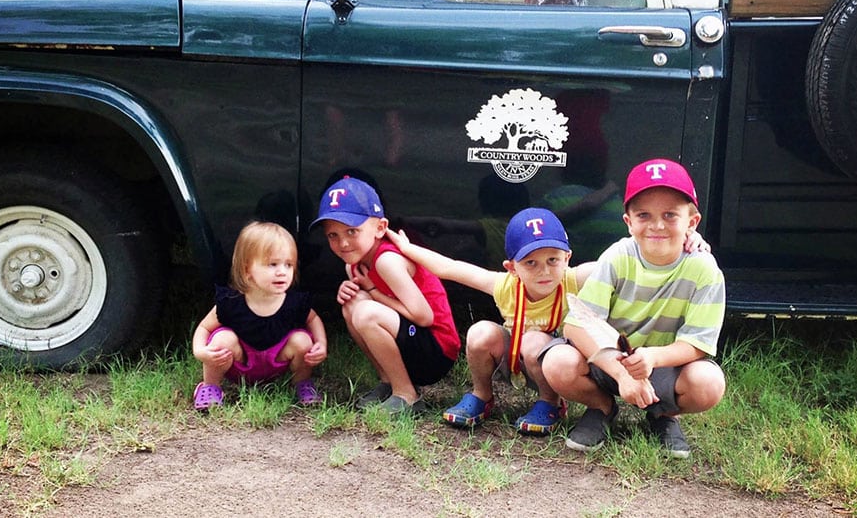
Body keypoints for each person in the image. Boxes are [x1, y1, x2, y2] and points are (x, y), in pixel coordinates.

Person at [541, 158, 726, 458]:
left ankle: (663, 416)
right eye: (643, 215)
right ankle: (601, 407)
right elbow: (576, 325)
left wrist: (652, 357)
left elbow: (698, 344)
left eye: (670, 215)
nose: (657, 225)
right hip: (609, 361)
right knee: (557, 361)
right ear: (628, 222)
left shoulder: (704, 270)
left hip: (663, 365)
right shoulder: (617, 256)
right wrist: (623, 373)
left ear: (692, 222)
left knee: (708, 383)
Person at [387, 207, 595, 435]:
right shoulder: (504, 285)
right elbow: (450, 268)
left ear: (567, 258)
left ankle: (550, 402)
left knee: (534, 341)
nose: (544, 271)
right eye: (531, 263)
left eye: (553, 260)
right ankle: (481, 396)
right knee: (480, 333)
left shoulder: (575, 279)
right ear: (511, 267)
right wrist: (407, 248)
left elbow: (613, 264)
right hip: (517, 360)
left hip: (561, 368)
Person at [311, 175, 460, 415]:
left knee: (366, 312)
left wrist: (372, 292)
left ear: (380, 228)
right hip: (414, 340)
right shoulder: (355, 263)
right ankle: (389, 382)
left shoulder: (387, 260)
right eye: (333, 235)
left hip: (437, 351)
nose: (343, 243)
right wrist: (353, 290)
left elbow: (424, 317)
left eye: (352, 231)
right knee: (353, 305)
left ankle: (407, 395)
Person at [191, 221, 328, 411]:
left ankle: (302, 384)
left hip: (276, 362)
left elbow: (313, 319)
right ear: (247, 270)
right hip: (240, 363)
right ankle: (210, 387)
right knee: (222, 338)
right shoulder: (232, 301)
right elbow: (204, 328)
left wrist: (321, 343)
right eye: (272, 264)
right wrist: (200, 351)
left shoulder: (294, 302)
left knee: (302, 341)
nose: (282, 271)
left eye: (288, 265)